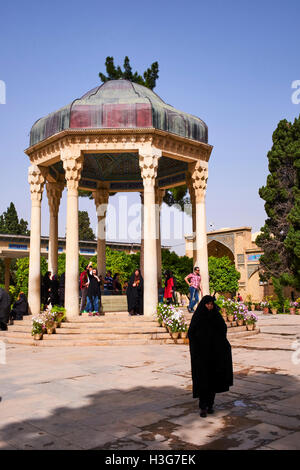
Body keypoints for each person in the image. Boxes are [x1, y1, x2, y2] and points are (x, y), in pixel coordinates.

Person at [188, 295, 233, 418]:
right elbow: (191, 333)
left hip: (214, 354)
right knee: (203, 380)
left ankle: (210, 405)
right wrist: (197, 347)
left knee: (213, 380)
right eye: (207, 304)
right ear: (203, 304)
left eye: (211, 304)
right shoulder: (198, 317)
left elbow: (223, 330)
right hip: (201, 355)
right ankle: (203, 406)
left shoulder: (216, 316)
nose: (209, 306)